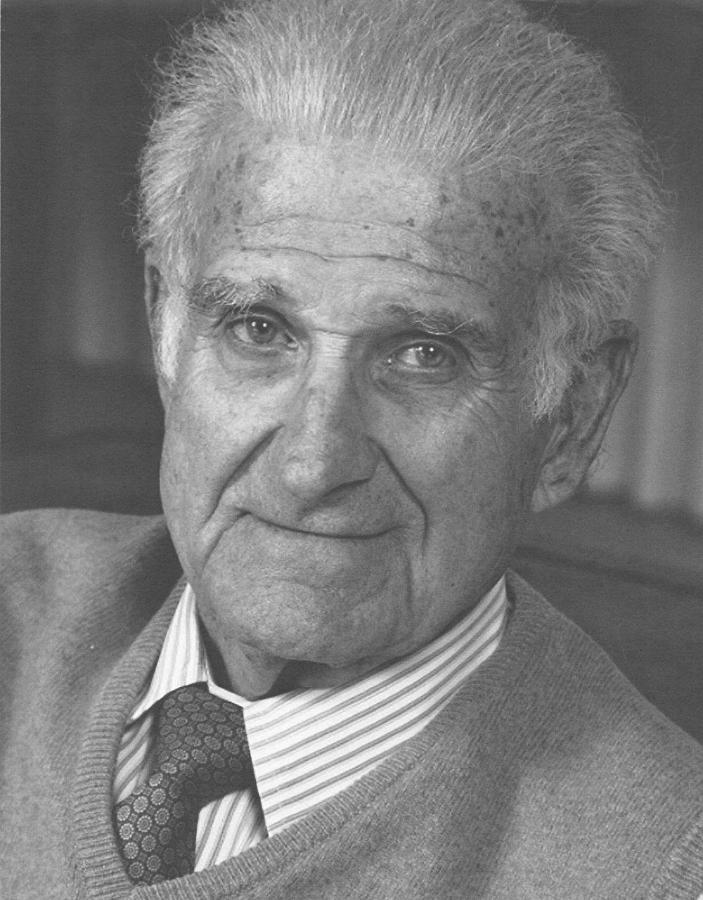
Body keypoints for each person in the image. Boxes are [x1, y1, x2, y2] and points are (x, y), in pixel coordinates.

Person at [1, 0, 702, 896]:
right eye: (258, 328)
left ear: (572, 416)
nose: (312, 463)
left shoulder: (658, 868)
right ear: (165, 334)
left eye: (423, 356)